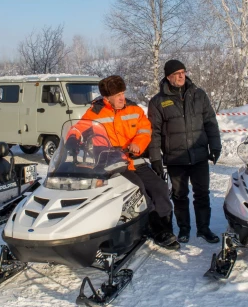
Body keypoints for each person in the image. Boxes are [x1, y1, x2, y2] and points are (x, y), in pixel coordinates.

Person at [66, 75, 180, 250]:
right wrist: (72, 139)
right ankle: (156, 229)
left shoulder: (134, 109)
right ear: (107, 98)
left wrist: (138, 144)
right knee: (139, 190)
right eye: (118, 95)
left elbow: (145, 129)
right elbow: (78, 128)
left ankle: (165, 226)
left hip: (135, 160)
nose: (122, 98)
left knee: (160, 188)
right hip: (110, 164)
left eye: (123, 93)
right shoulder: (95, 112)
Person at [148, 60, 222, 244]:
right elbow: (154, 132)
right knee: (180, 196)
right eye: (177, 73)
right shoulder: (158, 101)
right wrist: (155, 157)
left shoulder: (199, 95)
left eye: (183, 72)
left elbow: (210, 123)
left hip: (199, 156)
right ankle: (184, 229)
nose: (182, 76)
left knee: (202, 194)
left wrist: (215, 146)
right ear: (168, 77)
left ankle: (204, 228)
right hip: (176, 158)